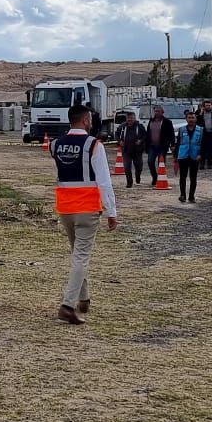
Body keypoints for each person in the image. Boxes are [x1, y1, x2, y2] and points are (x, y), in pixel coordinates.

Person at [51, 102, 119, 324]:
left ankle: (84, 298)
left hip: (65, 207)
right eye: (89, 118)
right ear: (85, 120)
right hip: (87, 208)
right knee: (81, 256)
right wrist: (112, 211)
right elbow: (104, 182)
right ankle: (67, 305)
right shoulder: (93, 145)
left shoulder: (56, 145)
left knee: (77, 254)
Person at [176, 107, 205, 203]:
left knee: (193, 177)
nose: (191, 120)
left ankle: (191, 196)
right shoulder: (181, 130)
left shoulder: (201, 130)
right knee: (182, 177)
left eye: (193, 118)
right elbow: (178, 144)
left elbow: (203, 144)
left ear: (196, 119)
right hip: (183, 156)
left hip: (195, 156)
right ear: (186, 119)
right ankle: (182, 195)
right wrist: (176, 156)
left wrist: (201, 155)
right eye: (189, 118)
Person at [146, 105, 176, 174]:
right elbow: (148, 133)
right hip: (152, 146)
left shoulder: (167, 122)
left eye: (158, 111)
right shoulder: (151, 121)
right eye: (155, 111)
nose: (156, 113)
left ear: (162, 112)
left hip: (162, 146)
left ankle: (161, 176)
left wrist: (172, 144)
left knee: (161, 162)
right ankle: (154, 176)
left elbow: (171, 134)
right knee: (150, 162)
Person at [119, 111, 146, 185]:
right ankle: (129, 182)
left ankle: (138, 176)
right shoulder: (122, 127)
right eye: (128, 118)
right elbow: (117, 135)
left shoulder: (140, 127)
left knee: (139, 167)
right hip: (126, 151)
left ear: (134, 118)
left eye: (131, 118)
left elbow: (145, 136)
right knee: (127, 167)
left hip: (137, 151)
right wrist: (120, 141)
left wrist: (140, 141)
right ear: (126, 118)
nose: (129, 120)